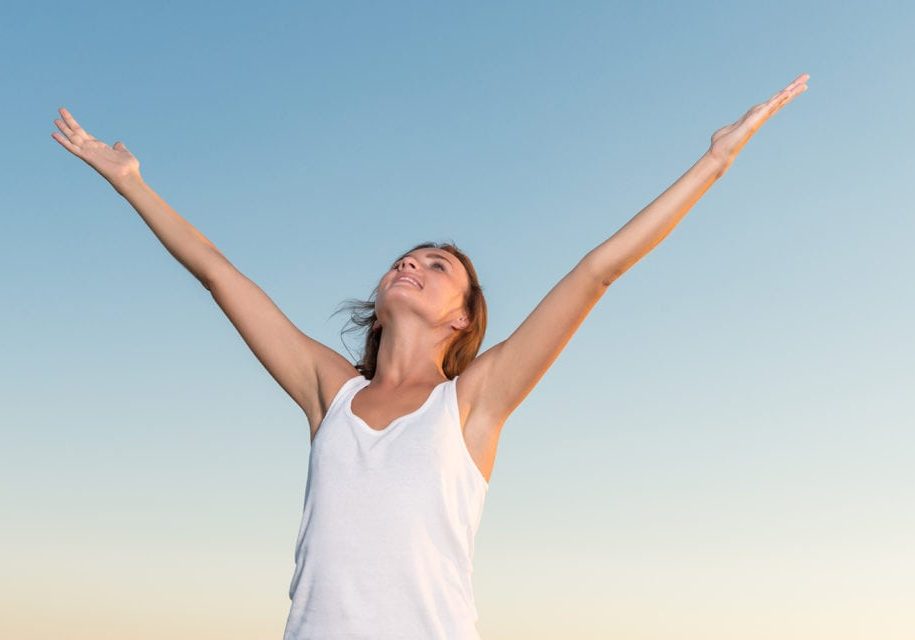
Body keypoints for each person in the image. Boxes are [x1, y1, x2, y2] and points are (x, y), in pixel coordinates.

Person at [51, 72, 809, 639]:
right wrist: (131, 184)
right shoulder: (329, 392)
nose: (411, 264)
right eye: (405, 259)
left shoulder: (473, 402)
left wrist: (715, 161)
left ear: (462, 318)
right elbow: (219, 273)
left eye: (436, 266)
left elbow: (596, 271)